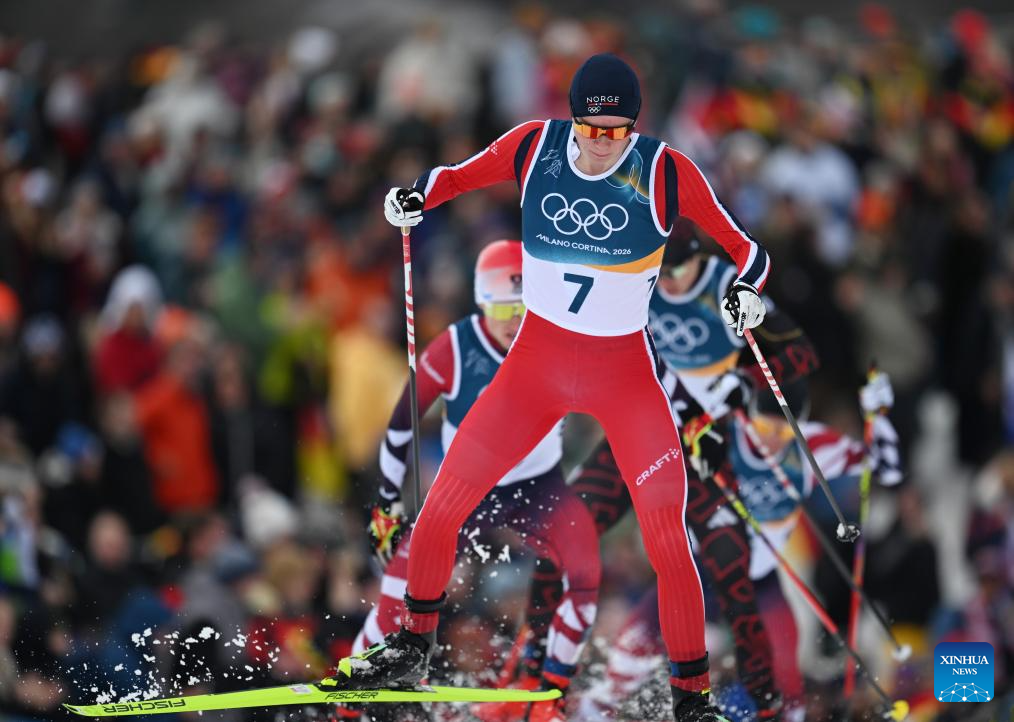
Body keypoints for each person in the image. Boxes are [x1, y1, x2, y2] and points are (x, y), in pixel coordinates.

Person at [323, 53, 770, 722]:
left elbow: (747, 250)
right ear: (573, 117)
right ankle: (412, 645)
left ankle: (692, 700)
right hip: (534, 369)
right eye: (592, 128)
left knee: (667, 540)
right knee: (440, 507)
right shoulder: (536, 146)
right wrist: (414, 197)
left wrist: (747, 293)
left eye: (617, 132)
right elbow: (457, 176)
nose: (603, 143)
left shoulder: (664, 171)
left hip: (625, 379)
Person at [507, 237, 818, 722]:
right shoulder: (637, 280)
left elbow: (801, 356)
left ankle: (765, 704)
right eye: (662, 272)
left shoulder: (725, 286)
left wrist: (746, 377)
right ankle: (530, 671)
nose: (668, 283)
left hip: (703, 453)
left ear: (699, 260)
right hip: (638, 437)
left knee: (732, 575)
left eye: (677, 272)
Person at [337, 241, 601, 722]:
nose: (513, 320)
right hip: (468, 491)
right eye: (502, 308)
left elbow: (627, 383)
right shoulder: (456, 348)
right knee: (402, 582)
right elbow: (401, 425)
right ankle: (350, 695)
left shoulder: (562, 341)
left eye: (523, 307)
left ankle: (549, 692)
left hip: (537, 488)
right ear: (482, 303)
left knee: (585, 571)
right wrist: (387, 503)